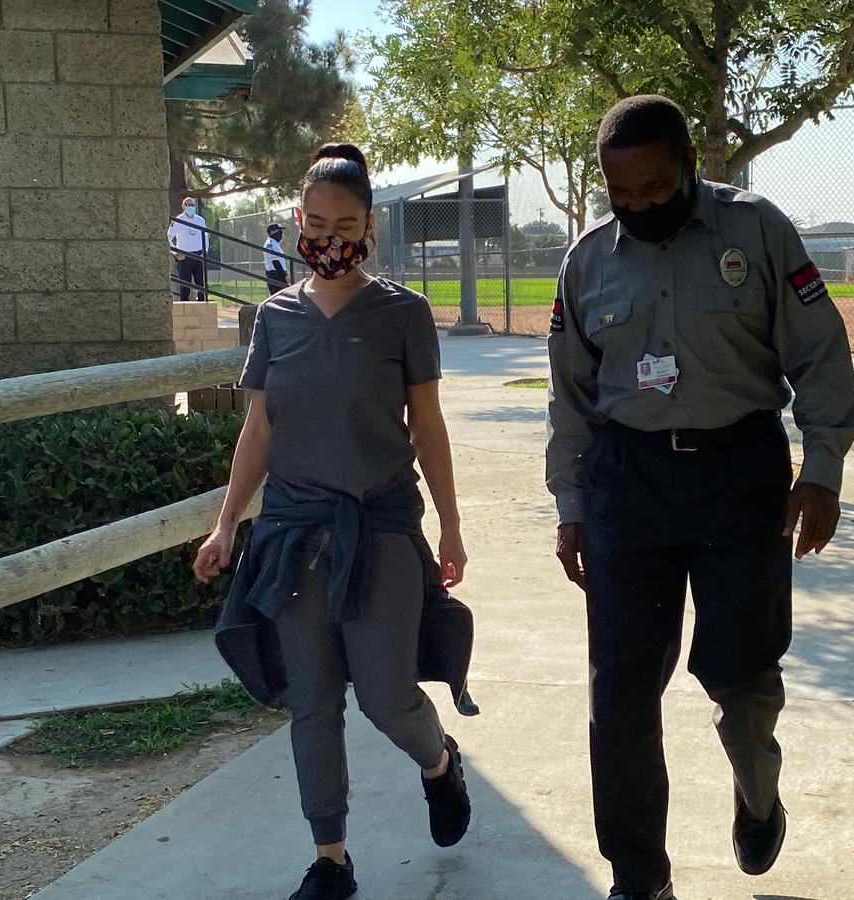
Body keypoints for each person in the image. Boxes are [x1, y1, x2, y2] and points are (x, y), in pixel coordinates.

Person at [546, 95, 854, 900]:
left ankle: (757, 790)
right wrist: (571, 505)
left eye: (655, 188)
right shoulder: (585, 262)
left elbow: (820, 356)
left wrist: (820, 470)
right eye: (623, 194)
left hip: (738, 474)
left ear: (689, 165)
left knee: (741, 678)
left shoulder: (755, 231)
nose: (640, 206)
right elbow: (571, 400)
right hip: (628, 483)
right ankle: (638, 877)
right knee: (618, 692)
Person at [192, 142, 473, 900]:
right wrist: (225, 526)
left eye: (346, 223)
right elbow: (259, 429)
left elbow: (429, 426)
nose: (330, 237)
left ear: (371, 228)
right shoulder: (273, 318)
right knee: (311, 700)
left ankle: (440, 760)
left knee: (385, 696)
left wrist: (449, 525)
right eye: (316, 222)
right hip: (291, 535)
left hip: (378, 526)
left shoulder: (403, 314)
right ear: (296, 222)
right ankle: (332, 859)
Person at [168, 196, 208, 301]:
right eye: (188, 205)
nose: (190, 207)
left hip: (199, 255)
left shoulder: (200, 220)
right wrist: (175, 252)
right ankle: (184, 306)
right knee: (185, 286)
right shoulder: (178, 220)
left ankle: (201, 303)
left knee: (201, 284)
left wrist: (205, 251)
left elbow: (206, 237)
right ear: (183, 206)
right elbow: (169, 236)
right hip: (184, 256)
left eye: (192, 205)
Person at [264, 222, 291, 295]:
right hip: (275, 275)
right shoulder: (270, 244)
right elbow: (275, 262)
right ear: (272, 232)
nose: (281, 233)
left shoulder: (275, 244)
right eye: (279, 231)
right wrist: (285, 276)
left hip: (278, 274)